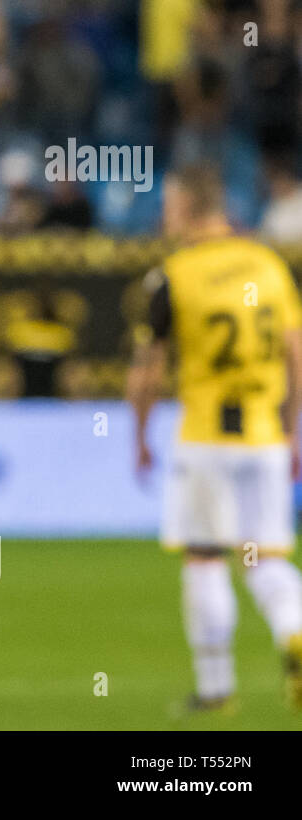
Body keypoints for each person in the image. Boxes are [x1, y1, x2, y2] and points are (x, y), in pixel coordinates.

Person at [129, 164, 302, 713]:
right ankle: (294, 628)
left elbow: (147, 372)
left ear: (185, 207)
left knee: (205, 557)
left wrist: (138, 434)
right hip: (265, 436)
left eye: (169, 205)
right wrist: (294, 429)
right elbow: (297, 354)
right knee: (264, 557)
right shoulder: (269, 265)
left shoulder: (173, 275)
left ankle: (215, 689)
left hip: (206, 436)